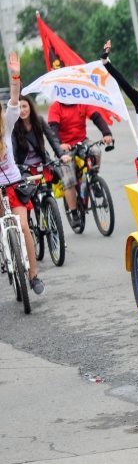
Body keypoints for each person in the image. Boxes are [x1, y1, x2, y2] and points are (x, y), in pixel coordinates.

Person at [0, 53, 43, 294]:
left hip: (14, 184)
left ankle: (33, 275)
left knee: (24, 227)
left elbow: (15, 98)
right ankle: (7, 254)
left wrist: (15, 76)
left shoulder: (6, 125)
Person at [48, 96, 114, 229]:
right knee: (69, 178)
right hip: (64, 146)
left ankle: (94, 179)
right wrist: (60, 145)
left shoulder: (81, 102)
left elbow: (97, 117)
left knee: (96, 150)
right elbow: (52, 130)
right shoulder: (55, 107)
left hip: (81, 141)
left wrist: (106, 133)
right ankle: (74, 213)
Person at [13, 94, 70, 187]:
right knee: (29, 196)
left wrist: (62, 155)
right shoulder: (14, 126)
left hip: (42, 164)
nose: (22, 110)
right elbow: (13, 148)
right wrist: (14, 165)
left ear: (30, 107)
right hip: (25, 168)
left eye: (24, 106)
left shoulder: (39, 120)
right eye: (19, 107)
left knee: (49, 192)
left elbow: (52, 138)